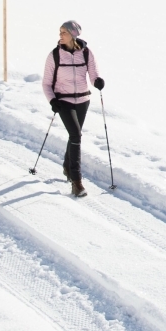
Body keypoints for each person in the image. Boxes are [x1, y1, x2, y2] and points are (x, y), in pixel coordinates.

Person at [41, 19, 104, 197]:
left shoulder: (86, 53)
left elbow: (93, 74)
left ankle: (68, 167)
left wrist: (97, 81)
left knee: (73, 135)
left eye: (64, 32)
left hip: (83, 100)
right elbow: (46, 83)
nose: (60, 35)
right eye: (60, 32)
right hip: (64, 102)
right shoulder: (54, 55)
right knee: (76, 134)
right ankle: (77, 182)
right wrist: (52, 100)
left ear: (73, 35)